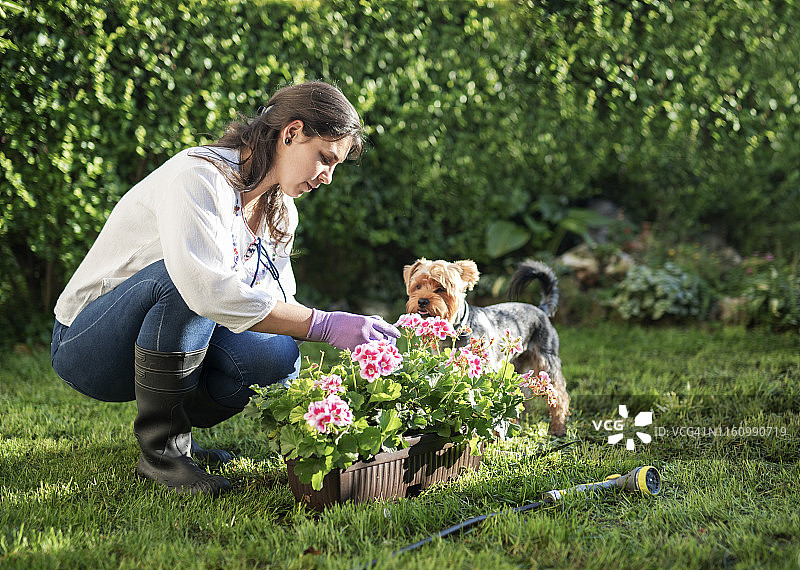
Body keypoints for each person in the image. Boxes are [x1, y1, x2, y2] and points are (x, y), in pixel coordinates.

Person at [50, 81, 400, 497]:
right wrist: (324, 324)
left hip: (161, 345)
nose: (327, 177)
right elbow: (206, 289)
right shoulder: (199, 176)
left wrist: (324, 396)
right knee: (184, 281)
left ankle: (180, 433)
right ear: (291, 133)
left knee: (276, 355)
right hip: (89, 345)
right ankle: (162, 453)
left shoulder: (280, 212)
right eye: (325, 158)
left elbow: (274, 304)